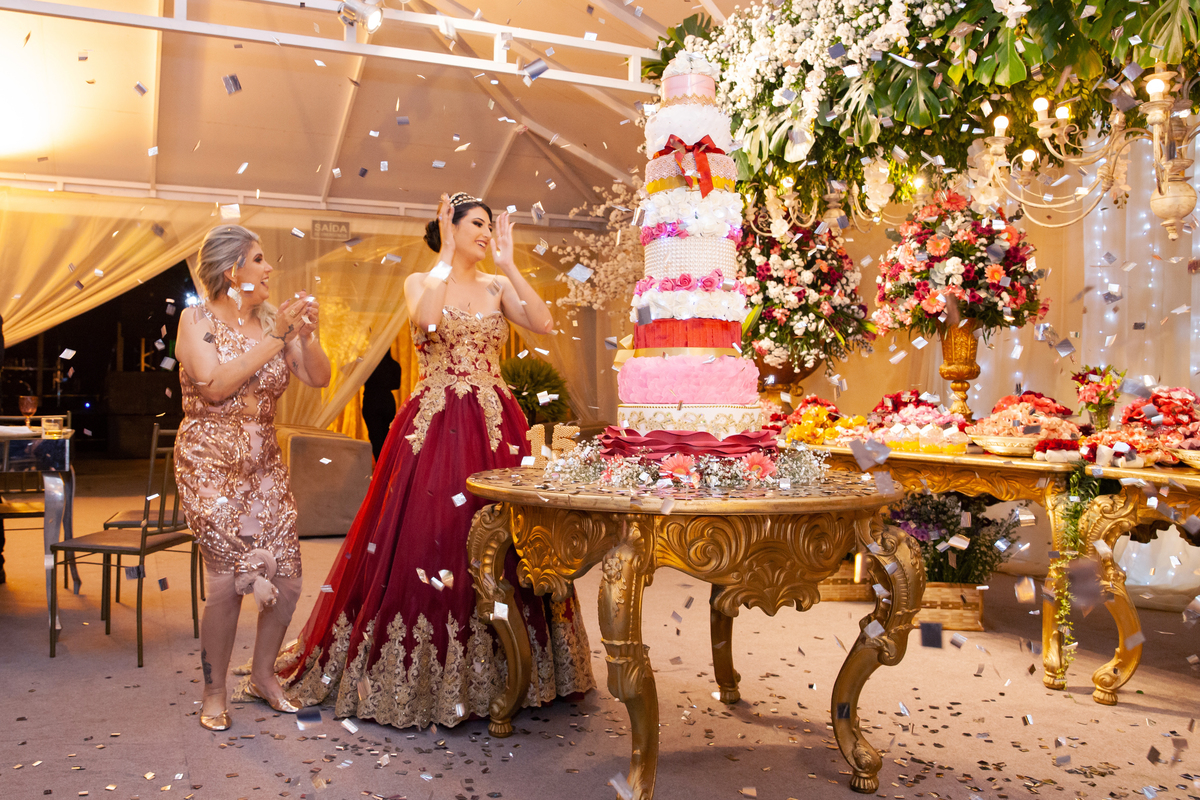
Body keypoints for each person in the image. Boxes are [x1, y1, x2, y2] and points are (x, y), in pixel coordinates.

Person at [270, 193, 594, 728]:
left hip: (495, 424)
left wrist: (510, 262)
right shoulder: (422, 281)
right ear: (451, 227)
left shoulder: (498, 284)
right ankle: (429, 674)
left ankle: (518, 669)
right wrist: (445, 253)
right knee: (434, 534)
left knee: (510, 537)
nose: (487, 233)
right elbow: (425, 323)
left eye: (491, 225)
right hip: (437, 426)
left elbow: (544, 324)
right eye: (478, 224)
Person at [174, 225, 331, 731]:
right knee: (227, 583)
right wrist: (278, 337)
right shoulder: (194, 321)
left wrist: (306, 335)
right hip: (208, 463)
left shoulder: (270, 321)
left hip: (264, 465)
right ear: (231, 272)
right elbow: (215, 386)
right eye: (258, 260)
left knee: (287, 577)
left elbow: (319, 376)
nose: (268, 270)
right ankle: (214, 690)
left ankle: (263, 675)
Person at [361, 350, 402, 460]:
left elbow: (347, 371)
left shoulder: (368, 365)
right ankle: (388, 463)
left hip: (371, 400)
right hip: (387, 401)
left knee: (375, 436)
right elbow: (396, 385)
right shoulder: (394, 365)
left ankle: (380, 463)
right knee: (387, 435)